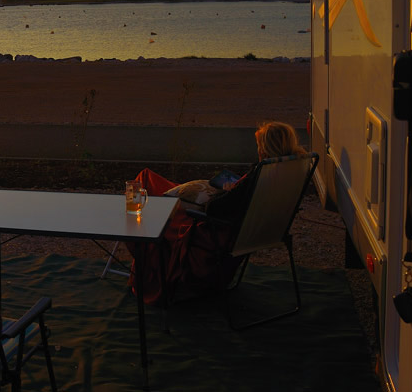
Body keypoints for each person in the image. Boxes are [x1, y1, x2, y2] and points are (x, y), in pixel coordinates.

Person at [128, 121, 307, 304]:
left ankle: (135, 236)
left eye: (259, 147)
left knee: (146, 184)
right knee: (150, 181)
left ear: (265, 149)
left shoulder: (260, 174)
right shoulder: (288, 172)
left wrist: (226, 193)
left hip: (213, 232)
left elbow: (214, 209)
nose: (258, 151)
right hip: (254, 230)